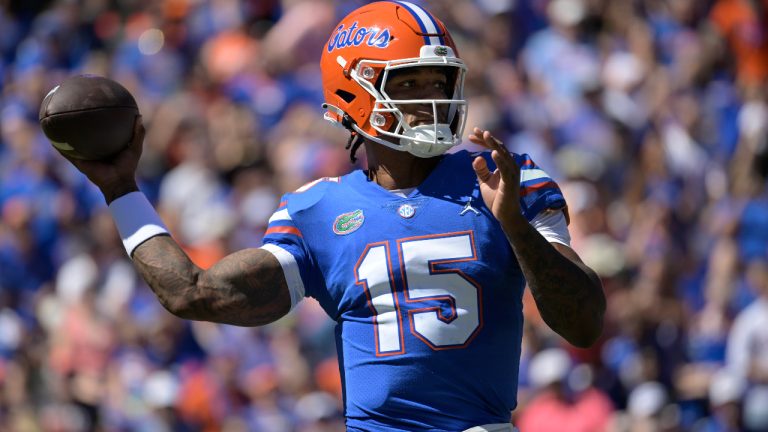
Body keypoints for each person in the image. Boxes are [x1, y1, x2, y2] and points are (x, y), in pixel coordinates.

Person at [59, 2, 605, 431]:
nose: (431, 98)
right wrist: (122, 190)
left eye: (438, 82)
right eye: (409, 83)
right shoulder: (317, 211)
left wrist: (513, 225)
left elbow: (582, 323)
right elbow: (195, 293)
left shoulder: (505, 178)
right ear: (353, 91)